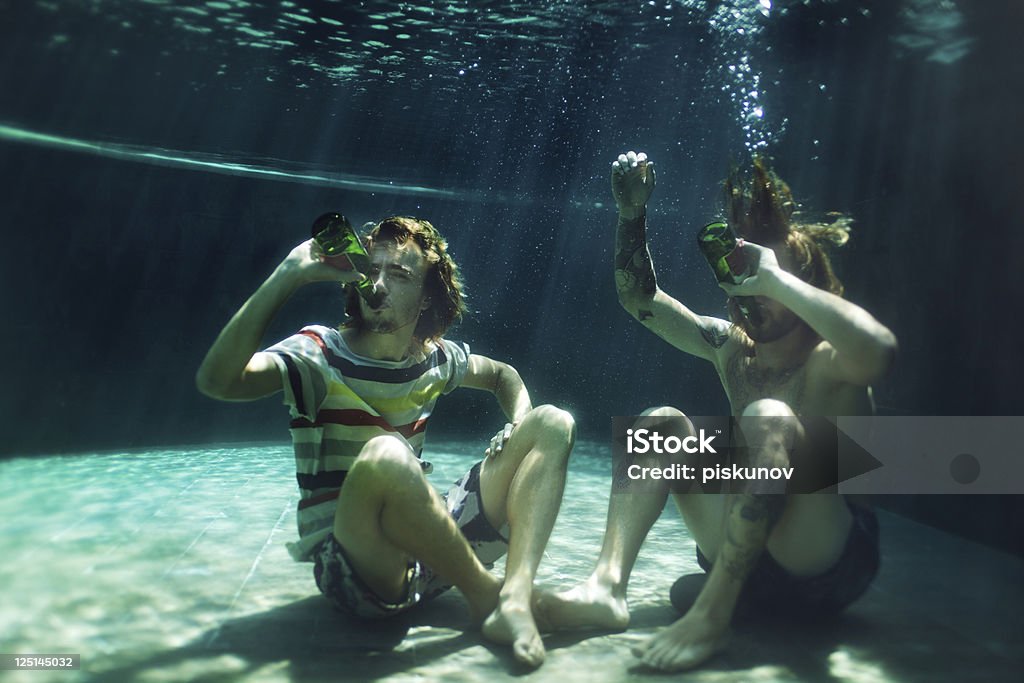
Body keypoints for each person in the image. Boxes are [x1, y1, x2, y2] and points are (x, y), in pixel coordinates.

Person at [541, 151, 898, 672]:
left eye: (765, 277)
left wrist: (773, 279)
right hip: (748, 555)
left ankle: (715, 612)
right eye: (744, 274)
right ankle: (607, 587)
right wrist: (631, 214)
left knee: (766, 415)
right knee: (661, 423)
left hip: (825, 560)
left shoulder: (829, 361)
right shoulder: (731, 347)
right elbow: (640, 300)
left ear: (797, 284)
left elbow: (880, 350)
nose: (753, 291)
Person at [196, 215, 575, 668]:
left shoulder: (433, 357)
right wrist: (288, 274)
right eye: (370, 270)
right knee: (387, 453)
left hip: (429, 551)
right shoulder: (320, 351)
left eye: (399, 275)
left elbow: (503, 376)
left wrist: (515, 423)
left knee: (553, 422)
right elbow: (217, 382)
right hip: (358, 569)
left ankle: (514, 595)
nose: (378, 285)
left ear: (428, 295)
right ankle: (486, 596)